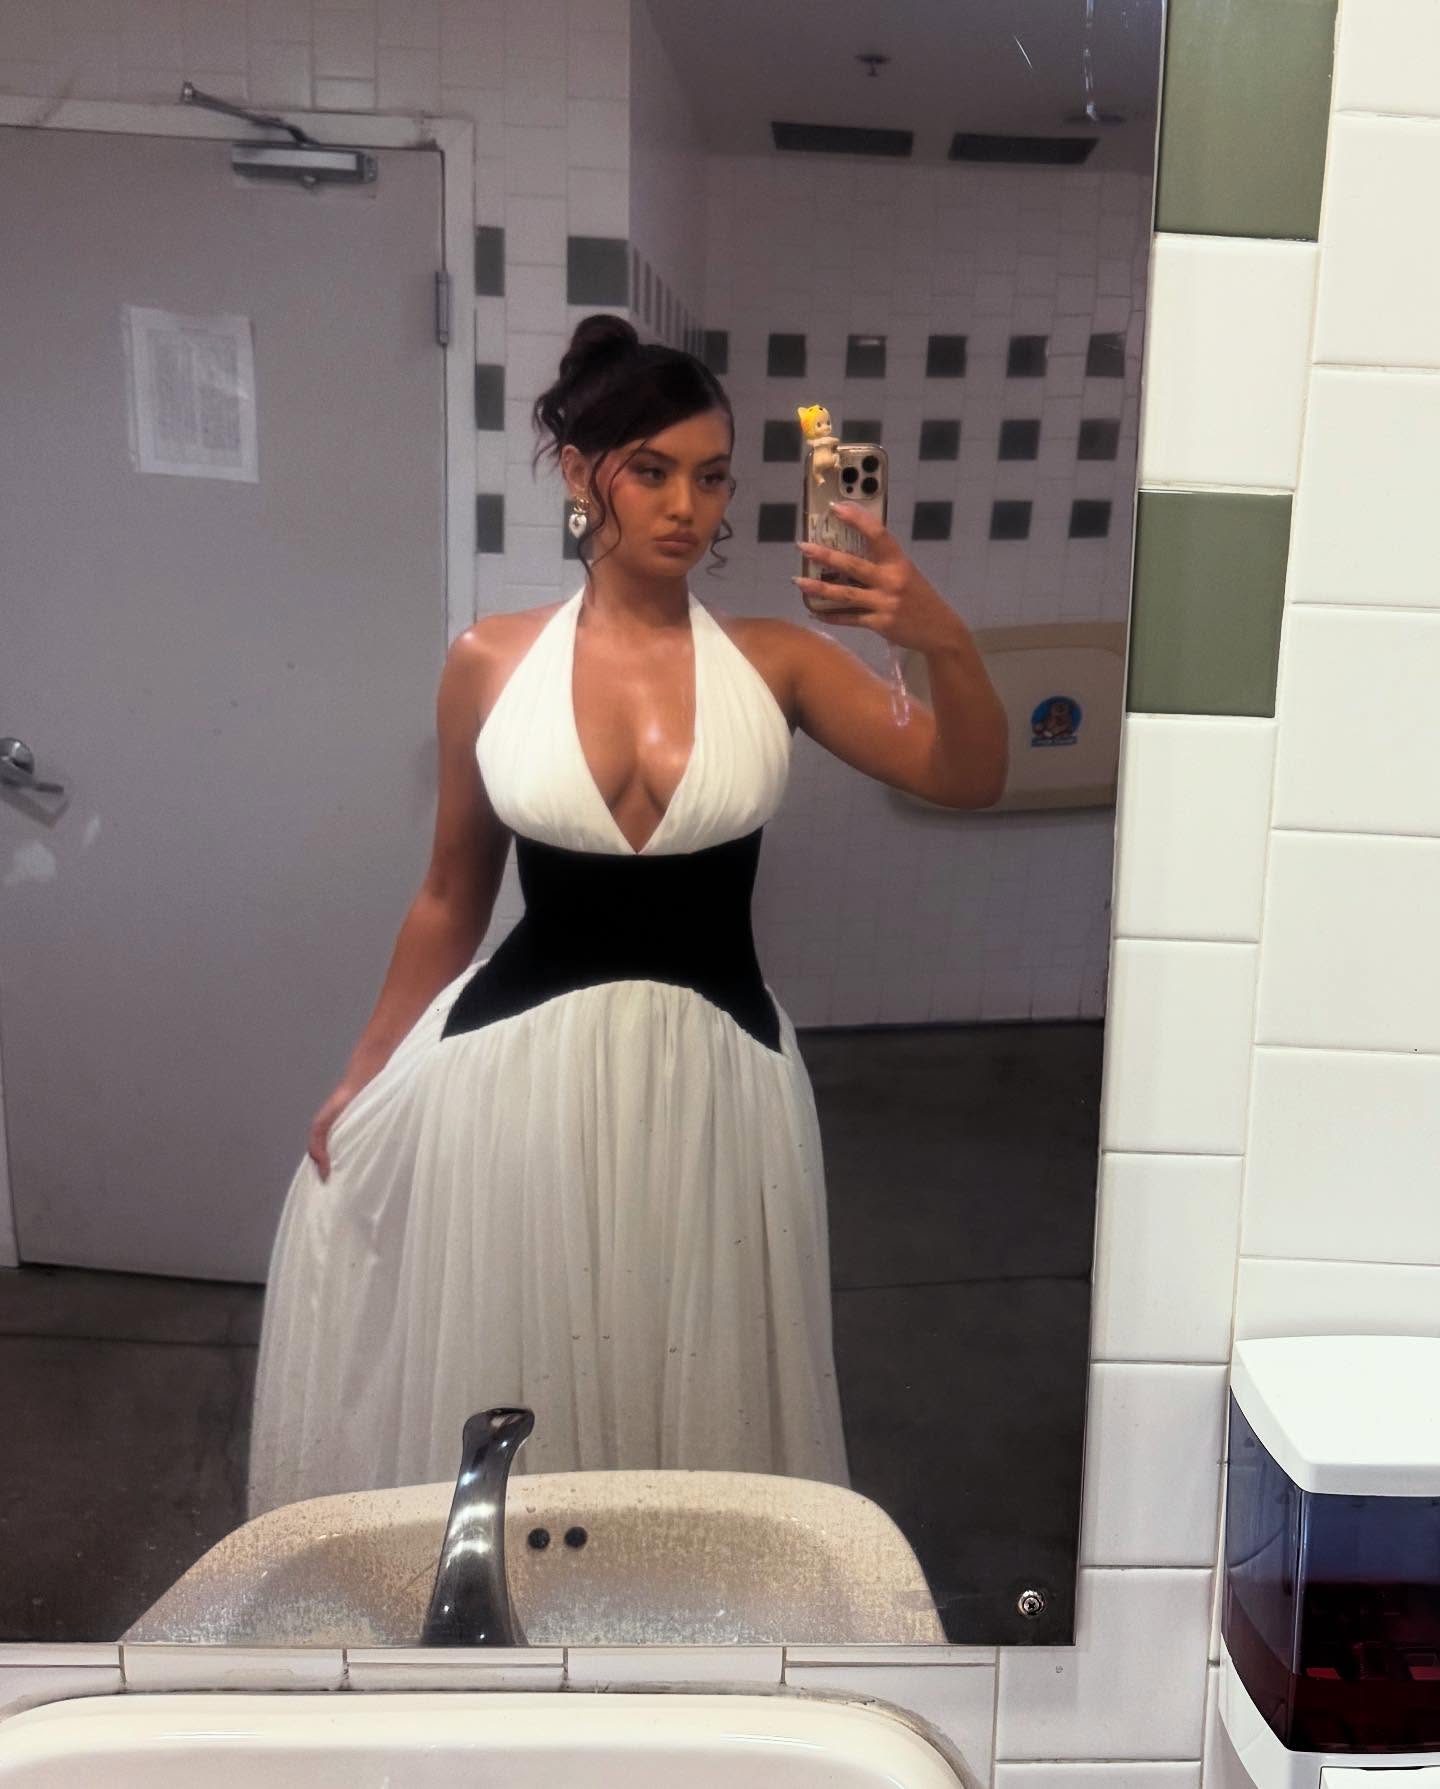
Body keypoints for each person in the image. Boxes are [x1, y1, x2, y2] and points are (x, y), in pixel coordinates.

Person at [245, 313, 1007, 1518]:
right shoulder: (489, 660)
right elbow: (450, 891)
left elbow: (969, 776)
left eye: (712, 477)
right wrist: (363, 1068)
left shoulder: (777, 660)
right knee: (522, 1369)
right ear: (577, 471)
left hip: (720, 1084)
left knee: (703, 1403)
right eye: (651, 471)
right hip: (516, 1080)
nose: (686, 507)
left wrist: (940, 638)